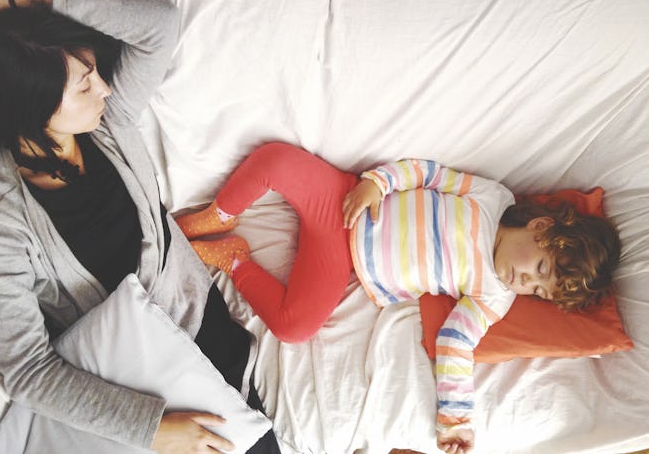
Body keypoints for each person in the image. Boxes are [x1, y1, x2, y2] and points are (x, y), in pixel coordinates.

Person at [0, 0, 280, 454]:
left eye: (96, 72)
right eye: (84, 83)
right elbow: (26, 368)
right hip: (138, 380)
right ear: (30, 106)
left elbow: (158, 23)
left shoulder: (111, 125)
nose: (104, 86)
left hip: (206, 331)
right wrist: (152, 429)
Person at [176, 141, 621, 454]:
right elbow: (427, 173)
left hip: (339, 261)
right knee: (275, 158)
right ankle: (218, 214)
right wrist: (378, 184)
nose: (526, 282)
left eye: (538, 291)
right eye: (539, 269)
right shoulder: (492, 198)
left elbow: (457, 345)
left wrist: (456, 420)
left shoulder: (495, 294)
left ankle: (234, 260)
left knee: (295, 327)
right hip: (342, 196)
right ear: (541, 229)